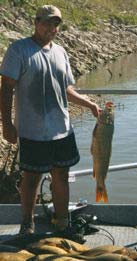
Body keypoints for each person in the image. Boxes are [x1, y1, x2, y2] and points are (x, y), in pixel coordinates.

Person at [0, 5, 100, 240]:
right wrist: (7, 124)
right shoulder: (18, 50)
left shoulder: (61, 52)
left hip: (62, 129)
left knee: (61, 175)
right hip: (32, 130)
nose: (51, 28)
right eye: (46, 22)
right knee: (31, 178)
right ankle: (27, 223)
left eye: (55, 24)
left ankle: (62, 222)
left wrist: (89, 104)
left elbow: (66, 89)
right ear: (36, 22)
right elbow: (6, 89)